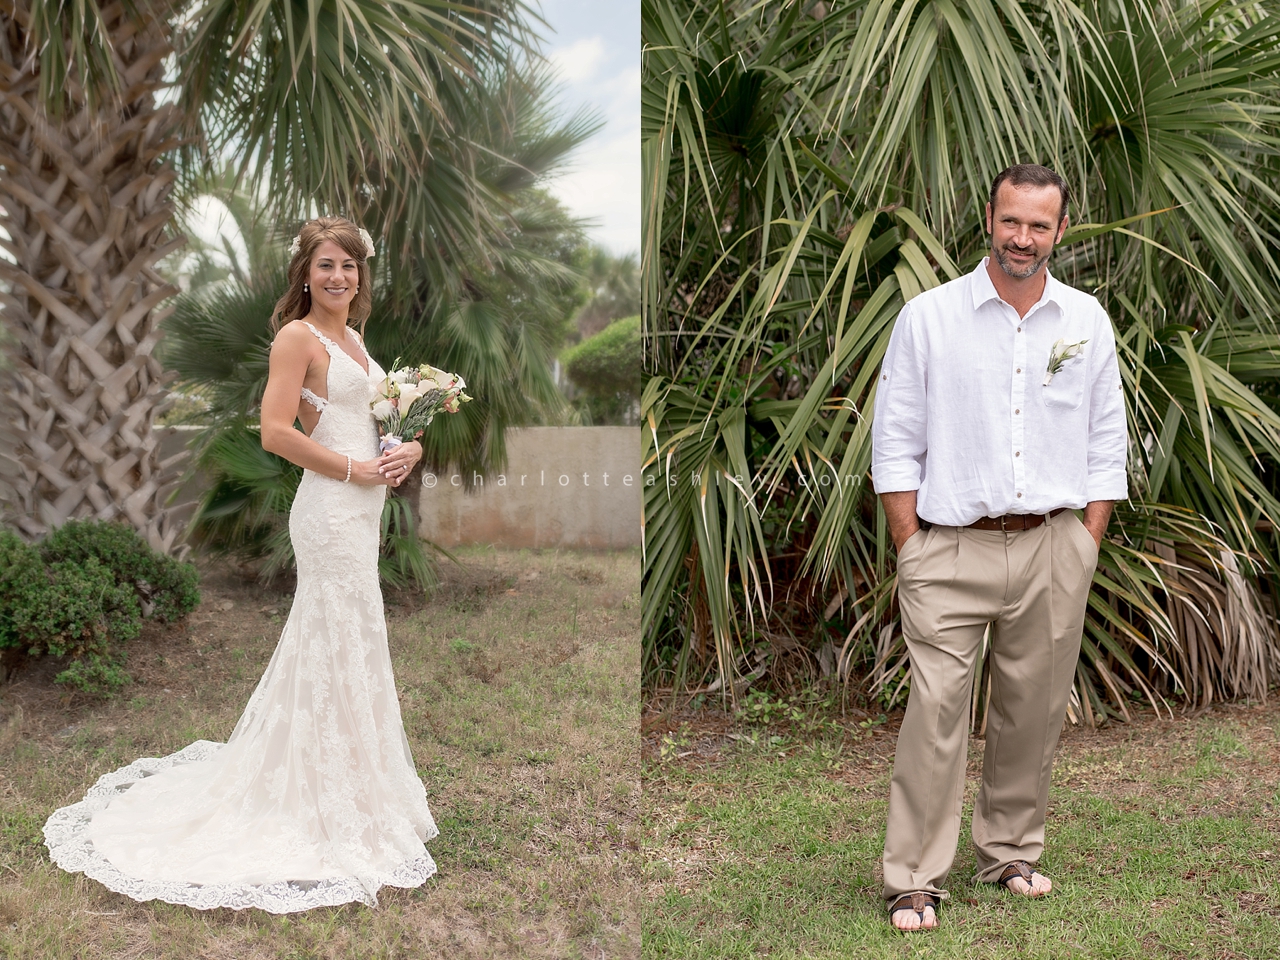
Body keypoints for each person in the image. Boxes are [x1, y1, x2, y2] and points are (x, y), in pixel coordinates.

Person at [43, 216, 439, 913]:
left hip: (362, 507)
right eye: (325, 265)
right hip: (330, 509)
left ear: (361, 275)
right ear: (305, 273)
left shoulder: (355, 338)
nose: (338, 277)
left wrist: (407, 449)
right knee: (332, 632)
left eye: (349, 266)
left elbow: (371, 423)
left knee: (352, 634)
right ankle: (313, 800)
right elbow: (277, 431)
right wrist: (355, 468)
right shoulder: (298, 337)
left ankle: (349, 783)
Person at [870, 164, 1128, 931]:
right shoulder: (929, 317)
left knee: (1033, 709)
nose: (1023, 239)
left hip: (1053, 544)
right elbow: (896, 439)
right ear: (990, 217)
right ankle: (913, 876)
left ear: (1060, 231)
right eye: (1012, 221)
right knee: (936, 710)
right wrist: (910, 543)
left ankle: (1011, 849)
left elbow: (1106, 441)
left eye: (1039, 226)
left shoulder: (1087, 321)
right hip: (948, 548)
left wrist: (1085, 540)